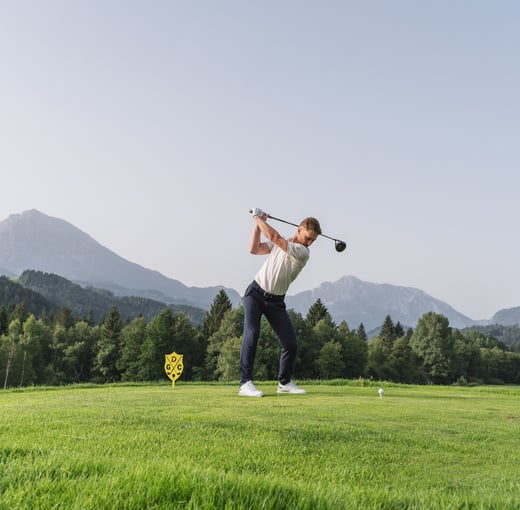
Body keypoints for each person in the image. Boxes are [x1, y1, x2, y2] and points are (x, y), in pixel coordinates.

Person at [239, 208, 322, 397]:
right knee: (252, 335)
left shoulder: (302, 252)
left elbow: (275, 237)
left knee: (290, 344)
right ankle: (245, 383)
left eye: (313, 241)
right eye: (308, 237)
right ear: (299, 230)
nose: (310, 243)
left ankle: (284, 382)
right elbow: (254, 249)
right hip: (255, 293)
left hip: (276, 302)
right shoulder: (282, 244)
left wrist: (257, 218)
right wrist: (258, 224)